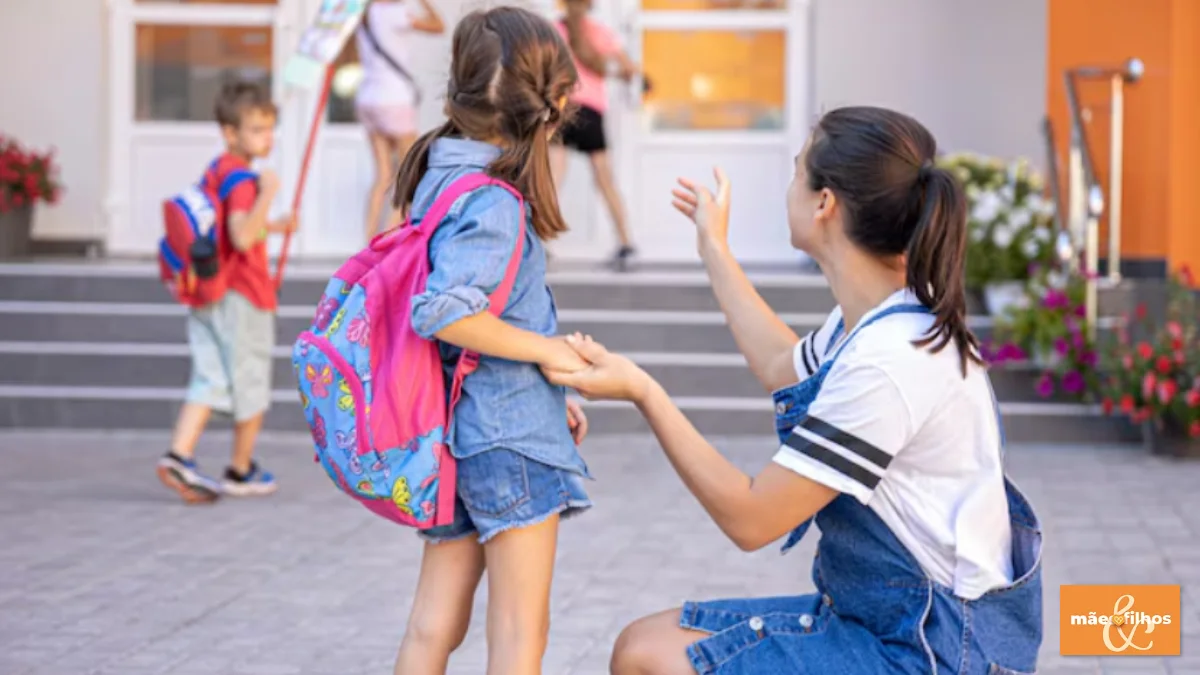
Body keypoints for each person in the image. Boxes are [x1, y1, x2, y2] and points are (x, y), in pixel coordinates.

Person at [546, 106, 1043, 674]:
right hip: (884, 620)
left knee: (654, 661)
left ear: (825, 203)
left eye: (795, 169)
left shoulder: (891, 361)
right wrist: (714, 246)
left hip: (933, 651)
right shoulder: (880, 318)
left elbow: (752, 518)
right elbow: (781, 365)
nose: (788, 185)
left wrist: (644, 392)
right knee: (641, 645)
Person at [388, 8, 595, 675]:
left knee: (431, 627)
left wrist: (547, 384)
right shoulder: (495, 200)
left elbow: (484, 310)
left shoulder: (436, 174)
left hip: (459, 429)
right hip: (509, 438)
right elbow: (444, 312)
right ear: (555, 104)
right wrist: (547, 355)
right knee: (518, 636)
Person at [157, 82, 297, 503]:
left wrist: (274, 226)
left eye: (270, 128)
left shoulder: (218, 168)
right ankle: (241, 468)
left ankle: (179, 454)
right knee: (251, 380)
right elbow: (239, 235)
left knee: (210, 376)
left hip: (209, 289)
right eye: (256, 129)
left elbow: (227, 227)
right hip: (244, 295)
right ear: (230, 132)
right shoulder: (244, 179)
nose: (266, 138)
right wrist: (268, 194)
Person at [551, 0, 641, 271]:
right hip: (591, 111)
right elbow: (629, 68)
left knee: (553, 179)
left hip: (562, 107)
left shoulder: (554, 31)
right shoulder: (599, 32)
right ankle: (626, 243)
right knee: (605, 180)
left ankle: (537, 242)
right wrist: (611, 70)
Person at [356, 0, 445, 240]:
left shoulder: (364, 13)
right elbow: (439, 26)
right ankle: (388, 237)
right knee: (408, 172)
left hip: (367, 98)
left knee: (383, 174)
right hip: (394, 99)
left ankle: (368, 239)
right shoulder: (399, 13)